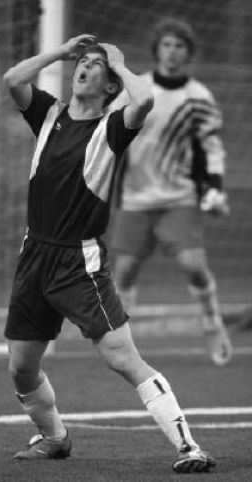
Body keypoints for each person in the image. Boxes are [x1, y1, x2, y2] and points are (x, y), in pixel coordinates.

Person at [3, 33, 216, 474]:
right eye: (83, 62)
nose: (84, 66)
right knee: (22, 368)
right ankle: (55, 438)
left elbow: (146, 100)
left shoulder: (112, 127)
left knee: (122, 357)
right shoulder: (49, 115)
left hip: (79, 262)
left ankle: (189, 447)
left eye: (94, 65)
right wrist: (62, 51)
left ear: (110, 86)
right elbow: (12, 79)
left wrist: (118, 63)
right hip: (34, 257)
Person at [110, 18, 233, 366]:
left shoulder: (199, 97)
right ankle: (122, 342)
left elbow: (212, 149)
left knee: (193, 265)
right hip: (134, 197)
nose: (173, 52)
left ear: (188, 53)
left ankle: (212, 322)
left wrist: (214, 188)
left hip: (179, 197)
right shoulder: (136, 89)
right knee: (126, 271)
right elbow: (112, 133)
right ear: (157, 49)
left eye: (179, 46)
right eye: (167, 45)